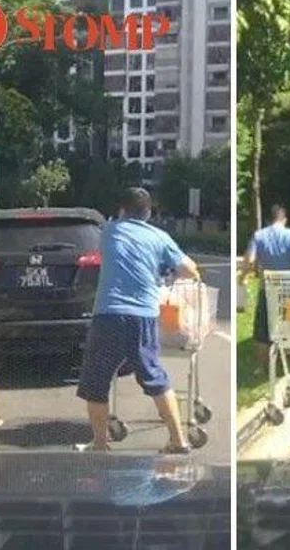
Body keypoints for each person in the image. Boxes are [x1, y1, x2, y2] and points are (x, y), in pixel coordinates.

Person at [76, 187, 202, 454]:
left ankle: (100, 444)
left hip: (109, 314)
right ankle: (178, 440)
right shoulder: (160, 236)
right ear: (148, 213)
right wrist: (163, 271)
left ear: (121, 210)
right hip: (143, 316)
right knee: (154, 375)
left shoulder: (110, 230)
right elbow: (190, 269)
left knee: (96, 380)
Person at [238, 205, 290, 364]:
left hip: (268, 288)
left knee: (263, 329)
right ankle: (289, 358)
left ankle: (262, 365)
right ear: (284, 219)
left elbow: (249, 260)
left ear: (268, 220)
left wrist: (242, 277)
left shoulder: (259, 236)